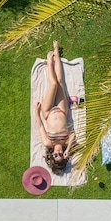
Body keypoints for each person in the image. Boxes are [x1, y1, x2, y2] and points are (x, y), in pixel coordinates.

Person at [34, 41, 74, 174]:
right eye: (61, 155)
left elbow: (40, 127)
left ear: (51, 155)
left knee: (54, 84)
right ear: (64, 155)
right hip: (62, 110)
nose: (58, 153)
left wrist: (36, 112)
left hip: (48, 111)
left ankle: (49, 62)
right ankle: (56, 50)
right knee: (60, 82)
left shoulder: (48, 143)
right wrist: (68, 149)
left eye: (55, 155)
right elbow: (73, 135)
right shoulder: (66, 142)